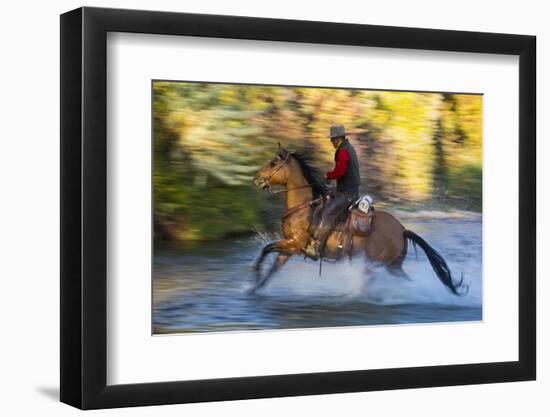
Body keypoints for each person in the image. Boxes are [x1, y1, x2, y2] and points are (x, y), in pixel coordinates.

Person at [302, 124, 361, 260]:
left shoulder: (343, 151)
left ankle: (315, 248)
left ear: (337, 138)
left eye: (332, 139)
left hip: (348, 194)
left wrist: (328, 175)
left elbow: (341, 171)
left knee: (326, 213)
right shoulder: (348, 148)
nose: (331, 142)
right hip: (348, 190)